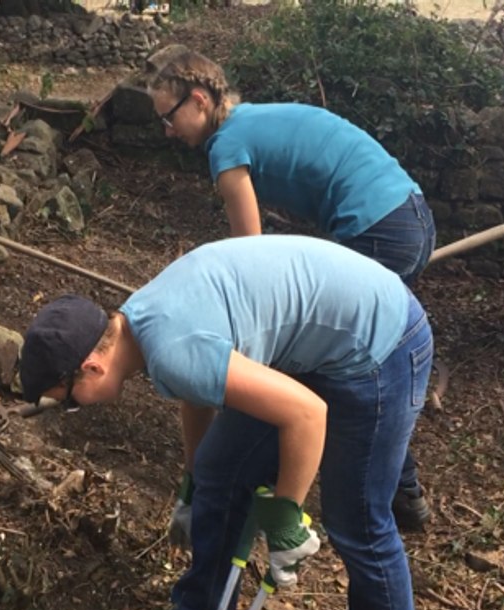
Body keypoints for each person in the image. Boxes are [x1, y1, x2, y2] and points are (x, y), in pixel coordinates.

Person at [19, 235, 432, 610]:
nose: (75, 408)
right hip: (317, 345)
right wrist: (194, 485)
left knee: (356, 518)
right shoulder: (140, 322)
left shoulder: (171, 348)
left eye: (69, 400)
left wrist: (285, 520)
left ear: (91, 366)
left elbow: (306, 414)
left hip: (381, 344)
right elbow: (200, 388)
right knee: (221, 471)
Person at [148, 49, 436, 533]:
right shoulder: (248, 120)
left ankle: (281, 482)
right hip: (410, 214)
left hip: (378, 227)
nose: (167, 130)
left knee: (341, 359)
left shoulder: (226, 147)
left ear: (198, 100)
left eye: (169, 117)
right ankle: (396, 490)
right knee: (358, 354)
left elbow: (250, 258)